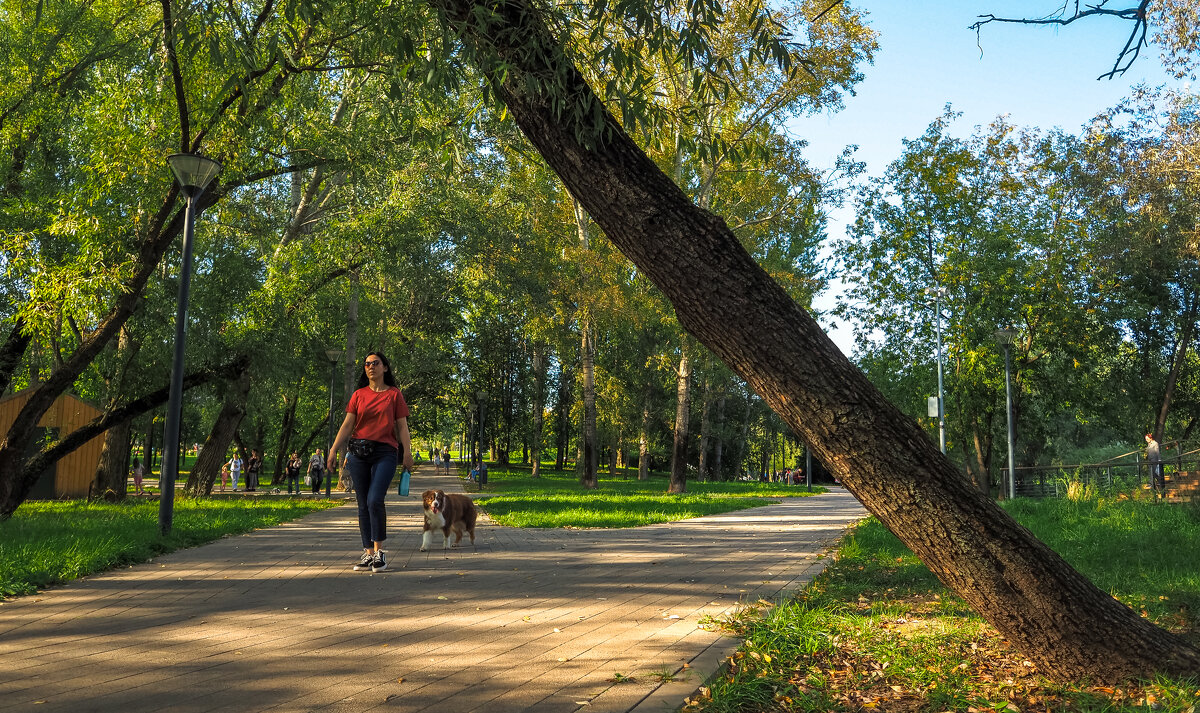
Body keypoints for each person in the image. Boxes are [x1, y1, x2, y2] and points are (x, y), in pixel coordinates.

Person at [328, 351, 413, 573]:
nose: (370, 367)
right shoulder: (358, 395)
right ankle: (367, 554)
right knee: (362, 503)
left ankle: (379, 553)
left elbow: (402, 426)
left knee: (375, 500)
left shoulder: (394, 395)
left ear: (385, 368)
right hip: (358, 453)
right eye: (367, 364)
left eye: (375, 363)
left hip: (385, 452)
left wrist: (407, 453)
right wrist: (334, 450)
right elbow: (348, 425)